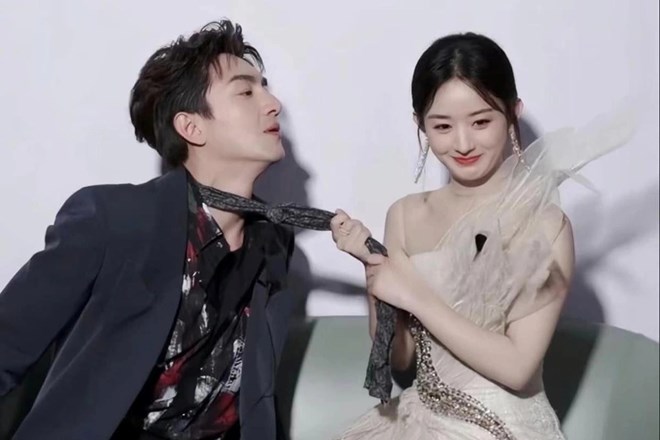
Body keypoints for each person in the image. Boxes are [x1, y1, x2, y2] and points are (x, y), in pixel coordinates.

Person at [0, 20, 297, 440]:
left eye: (265, 88)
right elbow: (8, 342)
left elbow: (255, 394)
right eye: (246, 92)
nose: (273, 104)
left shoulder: (274, 242)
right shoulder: (114, 220)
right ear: (191, 127)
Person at [330, 32, 634, 439]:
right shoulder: (403, 216)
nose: (462, 143)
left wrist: (414, 296)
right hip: (417, 421)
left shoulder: (545, 224)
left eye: (481, 121)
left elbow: (518, 367)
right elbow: (400, 357)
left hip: (503, 427)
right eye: (442, 125)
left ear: (513, 113)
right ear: (420, 124)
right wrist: (374, 270)